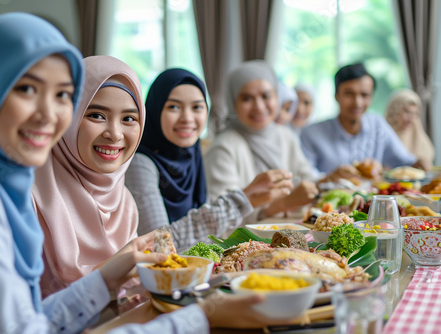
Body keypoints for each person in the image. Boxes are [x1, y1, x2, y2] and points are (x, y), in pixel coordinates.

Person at [0, 13, 279, 334]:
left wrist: (105, 278)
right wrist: (201, 317)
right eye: (27, 89)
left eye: (62, 95)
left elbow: (30, 321)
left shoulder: (6, 187)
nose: (48, 114)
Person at [125, 68, 293, 250]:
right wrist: (243, 198)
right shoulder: (140, 164)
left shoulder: (191, 154)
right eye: (173, 107)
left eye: (197, 107)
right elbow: (160, 244)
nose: (187, 118)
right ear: (155, 109)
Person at [32, 55, 147, 297]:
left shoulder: (124, 203)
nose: (115, 134)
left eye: (128, 118)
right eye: (96, 115)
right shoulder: (30, 198)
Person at [204, 60, 319, 222]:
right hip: (246, 244)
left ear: (277, 97)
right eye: (246, 99)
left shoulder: (285, 135)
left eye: (266, 96)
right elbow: (218, 217)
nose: (259, 106)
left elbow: (307, 177)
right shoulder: (224, 148)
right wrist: (279, 205)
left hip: (293, 233)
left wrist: (327, 181)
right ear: (232, 102)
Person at [300, 63, 428, 177]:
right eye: (349, 94)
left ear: (371, 97)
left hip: (372, 202)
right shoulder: (311, 133)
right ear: (336, 95)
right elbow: (304, 178)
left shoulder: (377, 125)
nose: (357, 102)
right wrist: (330, 178)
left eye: (364, 95)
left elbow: (405, 162)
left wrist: (420, 163)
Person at [385, 88, 435, 169]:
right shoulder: (383, 135)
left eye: (415, 113)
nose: (411, 118)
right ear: (394, 111)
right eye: (407, 112)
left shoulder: (418, 136)